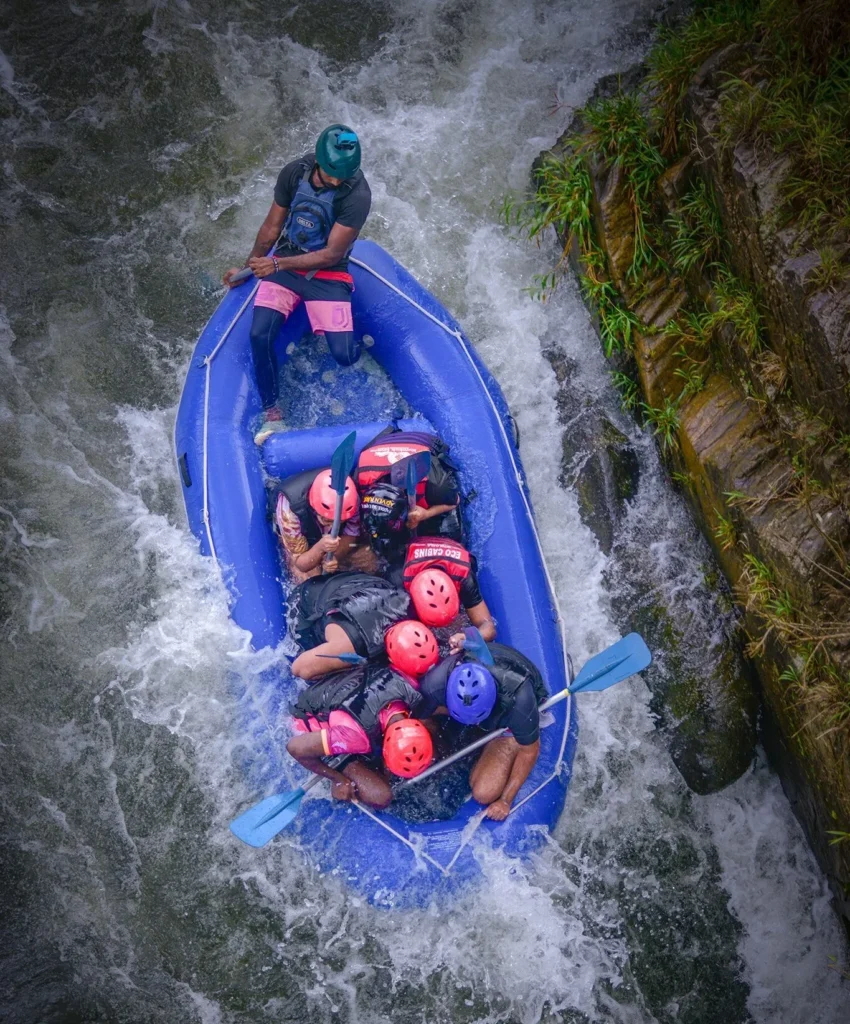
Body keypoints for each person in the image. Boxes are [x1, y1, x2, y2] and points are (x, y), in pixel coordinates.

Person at [222, 124, 371, 443]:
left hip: (328, 273)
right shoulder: (294, 173)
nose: (337, 181)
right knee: (259, 335)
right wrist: (249, 268)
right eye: (332, 175)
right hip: (287, 259)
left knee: (344, 355)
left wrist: (277, 264)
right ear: (318, 162)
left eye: (343, 176)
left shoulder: (358, 195)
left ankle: (355, 345)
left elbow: (332, 254)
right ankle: (273, 413)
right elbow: (270, 228)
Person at [415, 643, 549, 820]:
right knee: (423, 718)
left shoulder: (519, 701)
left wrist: (505, 800)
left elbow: (530, 751)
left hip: (505, 720)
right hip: (467, 701)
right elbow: (419, 719)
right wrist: (438, 746)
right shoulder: (435, 683)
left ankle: (506, 740)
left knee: (484, 793)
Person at [287, 664, 434, 808]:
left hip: (343, 688)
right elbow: (295, 748)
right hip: (313, 720)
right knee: (381, 796)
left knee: (432, 726)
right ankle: (344, 766)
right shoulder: (356, 737)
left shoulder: (410, 688)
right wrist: (338, 779)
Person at [287, 570, 410, 680]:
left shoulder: (406, 604)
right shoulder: (350, 646)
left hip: (350, 582)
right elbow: (298, 668)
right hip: (305, 602)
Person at [355, 427, 462, 543]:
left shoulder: (436, 485)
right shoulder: (360, 478)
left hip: (422, 442)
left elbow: (455, 501)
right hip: (384, 442)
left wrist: (426, 514)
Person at [273, 468, 375, 581]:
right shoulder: (289, 512)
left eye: (339, 520)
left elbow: (351, 534)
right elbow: (300, 564)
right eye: (328, 520)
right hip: (303, 544)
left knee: (369, 559)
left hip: (334, 542)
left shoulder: (351, 500)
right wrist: (319, 549)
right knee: (310, 577)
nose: (333, 525)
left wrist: (334, 556)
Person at [394, 538, 496, 648]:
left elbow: (488, 626)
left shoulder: (464, 579)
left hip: (450, 541)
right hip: (416, 543)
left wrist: (468, 638)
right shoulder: (398, 578)